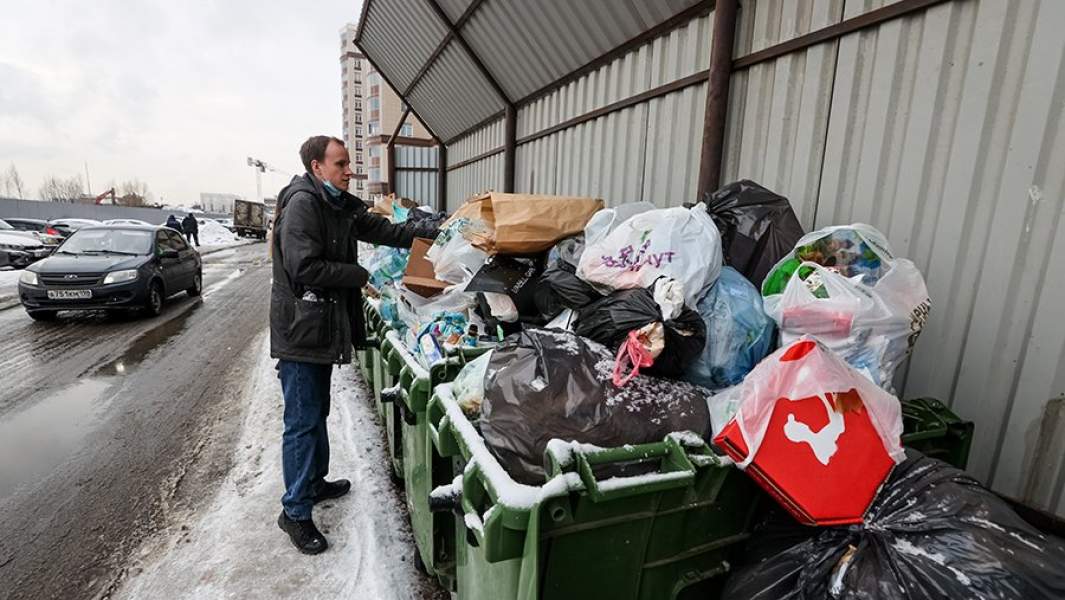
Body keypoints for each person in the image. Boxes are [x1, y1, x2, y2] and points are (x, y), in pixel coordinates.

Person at [270, 135, 438, 554]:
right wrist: (359, 275)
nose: (349, 171)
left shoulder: (337, 205)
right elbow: (303, 266)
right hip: (301, 329)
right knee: (303, 421)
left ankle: (313, 483)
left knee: (316, 412)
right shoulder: (304, 205)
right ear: (317, 167)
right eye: (341, 164)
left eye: (348, 164)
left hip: (319, 326)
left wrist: (434, 230)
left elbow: (384, 229)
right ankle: (294, 512)